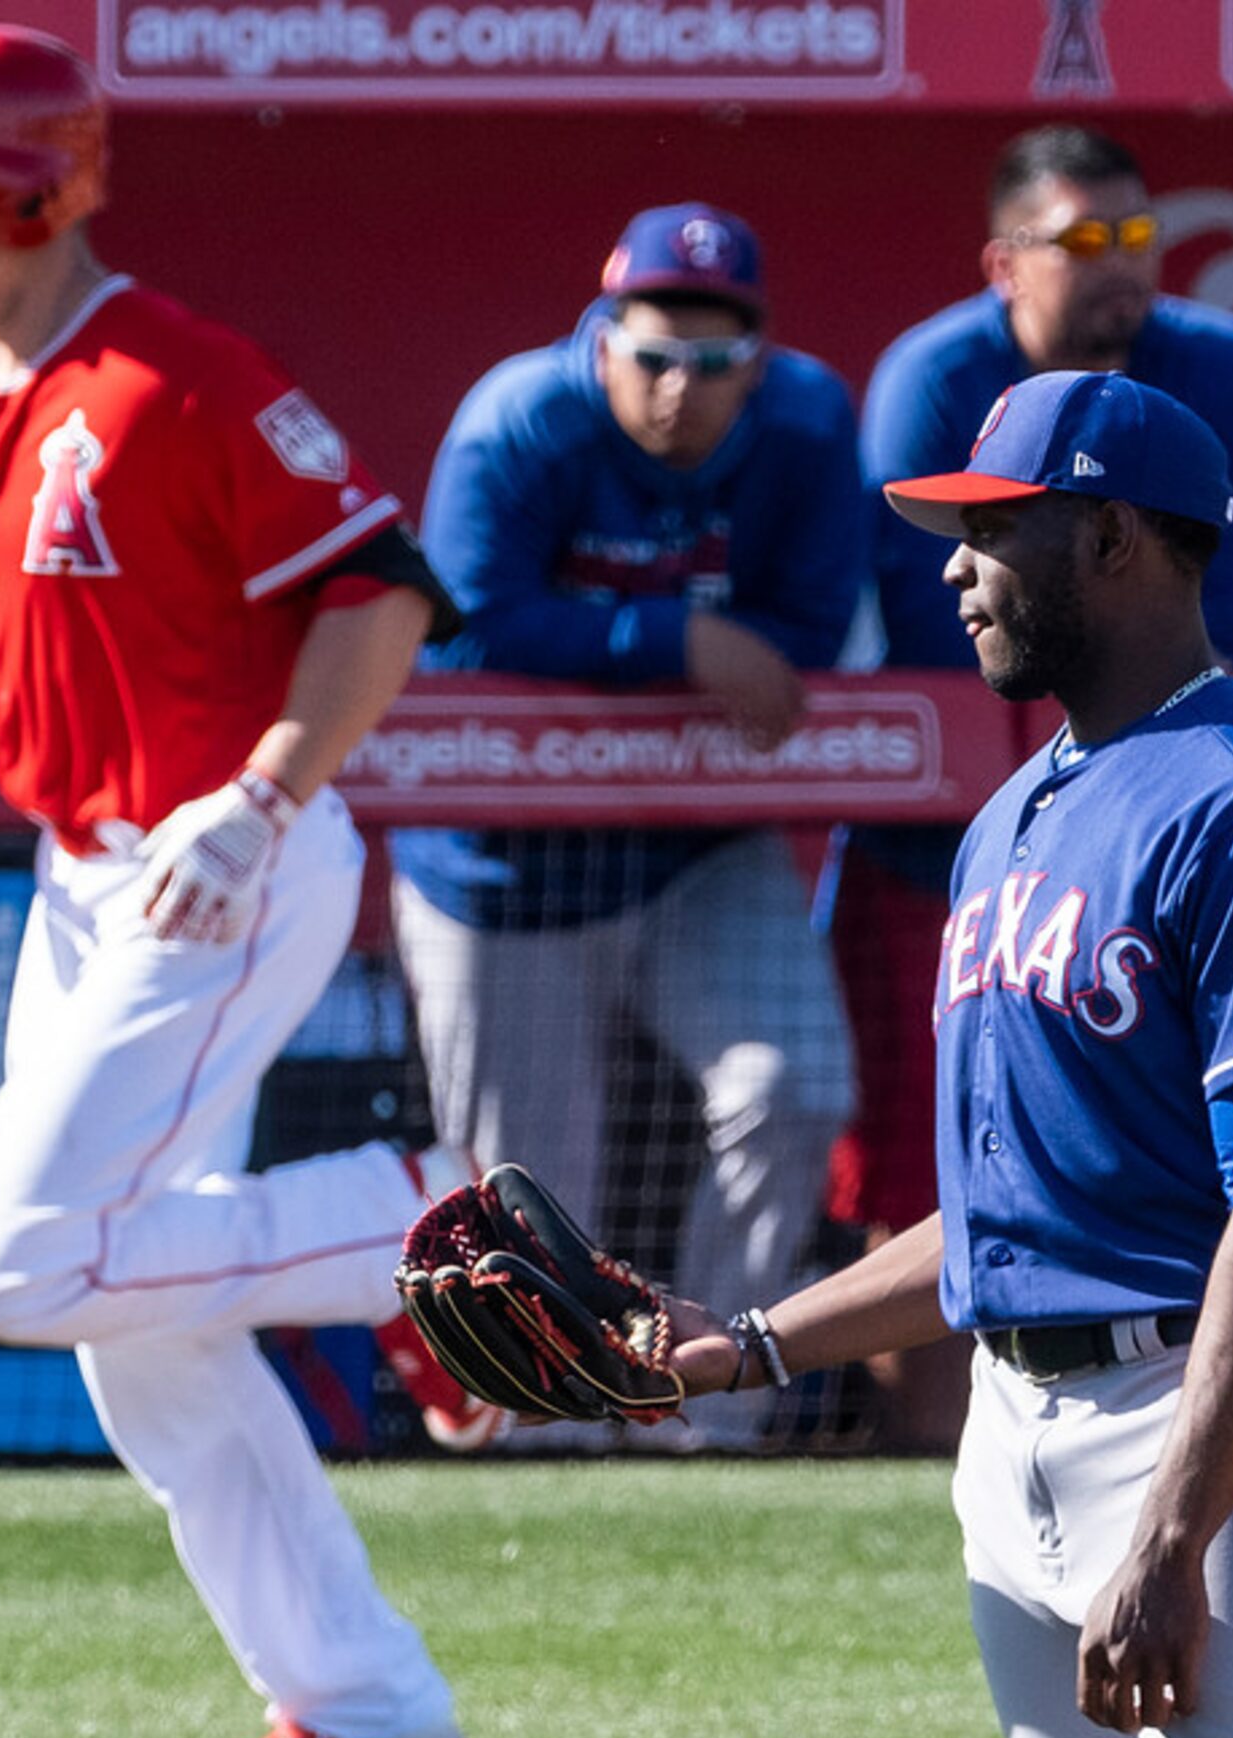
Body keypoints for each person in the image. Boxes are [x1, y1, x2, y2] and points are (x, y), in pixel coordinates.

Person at [0, 23, 469, 1738]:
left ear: (27, 177)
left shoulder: (177, 373)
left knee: (7, 1260)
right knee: (140, 1334)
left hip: (224, 858)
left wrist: (266, 789)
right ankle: (364, 1695)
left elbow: (378, 597)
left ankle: (427, 1223)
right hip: (81, 875)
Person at [661, 371, 1233, 1738]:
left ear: (1113, 538)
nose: (950, 565)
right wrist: (751, 1341)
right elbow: (1002, 1217)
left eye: (994, 527)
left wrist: (1174, 1537)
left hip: (1213, 1423)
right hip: (1010, 1429)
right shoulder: (1013, 815)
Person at [836, 127, 1233, 1447]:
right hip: (952, 849)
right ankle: (923, 1471)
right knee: (932, 1159)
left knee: (1183, 1154)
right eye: (1083, 242)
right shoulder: (935, 371)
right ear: (1004, 261)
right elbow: (929, 634)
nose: (1120, 268)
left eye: (1135, 237)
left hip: (1149, 824)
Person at [395, 202, 861, 1449]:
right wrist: (678, 639)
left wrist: (659, 653)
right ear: (602, 338)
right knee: (526, 1204)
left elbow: (809, 631)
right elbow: (468, 619)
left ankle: (697, 1408)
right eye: (651, 355)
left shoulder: (808, 420)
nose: (678, 388)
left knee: (795, 1087)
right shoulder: (522, 419)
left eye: (712, 364)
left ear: (755, 360)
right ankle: (547, 1444)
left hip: (689, 851)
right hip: (500, 869)